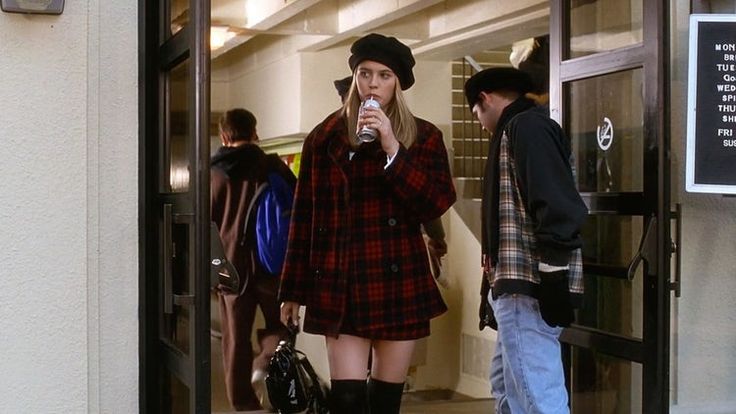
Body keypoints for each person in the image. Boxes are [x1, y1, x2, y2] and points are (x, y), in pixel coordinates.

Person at [280, 33, 456, 414]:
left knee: (385, 402)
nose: (373, 83)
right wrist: (292, 290)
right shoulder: (324, 137)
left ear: (398, 84)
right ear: (355, 78)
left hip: (397, 279)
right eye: (365, 73)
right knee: (347, 400)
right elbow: (304, 216)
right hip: (340, 278)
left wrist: (393, 147)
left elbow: (435, 203)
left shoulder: (423, 136)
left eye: (384, 75)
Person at [464, 67, 587, 414]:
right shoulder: (519, 129)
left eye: (475, 112)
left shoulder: (527, 128)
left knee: (536, 393)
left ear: (485, 99)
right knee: (508, 386)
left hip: (530, 283)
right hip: (519, 283)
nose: (478, 121)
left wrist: (553, 273)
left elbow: (557, 203)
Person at [211, 108, 296, 411]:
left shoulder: (212, 173)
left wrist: (209, 271)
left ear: (224, 135)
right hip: (270, 263)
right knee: (280, 327)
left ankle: (243, 402)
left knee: (235, 339)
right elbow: (297, 207)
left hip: (229, 267)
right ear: (255, 132)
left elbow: (203, 227)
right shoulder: (270, 165)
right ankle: (267, 368)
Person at [335, 75, 450, 285]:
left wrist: (437, 235)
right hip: (349, 263)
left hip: (397, 260)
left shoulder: (417, 134)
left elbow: (429, 198)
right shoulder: (332, 139)